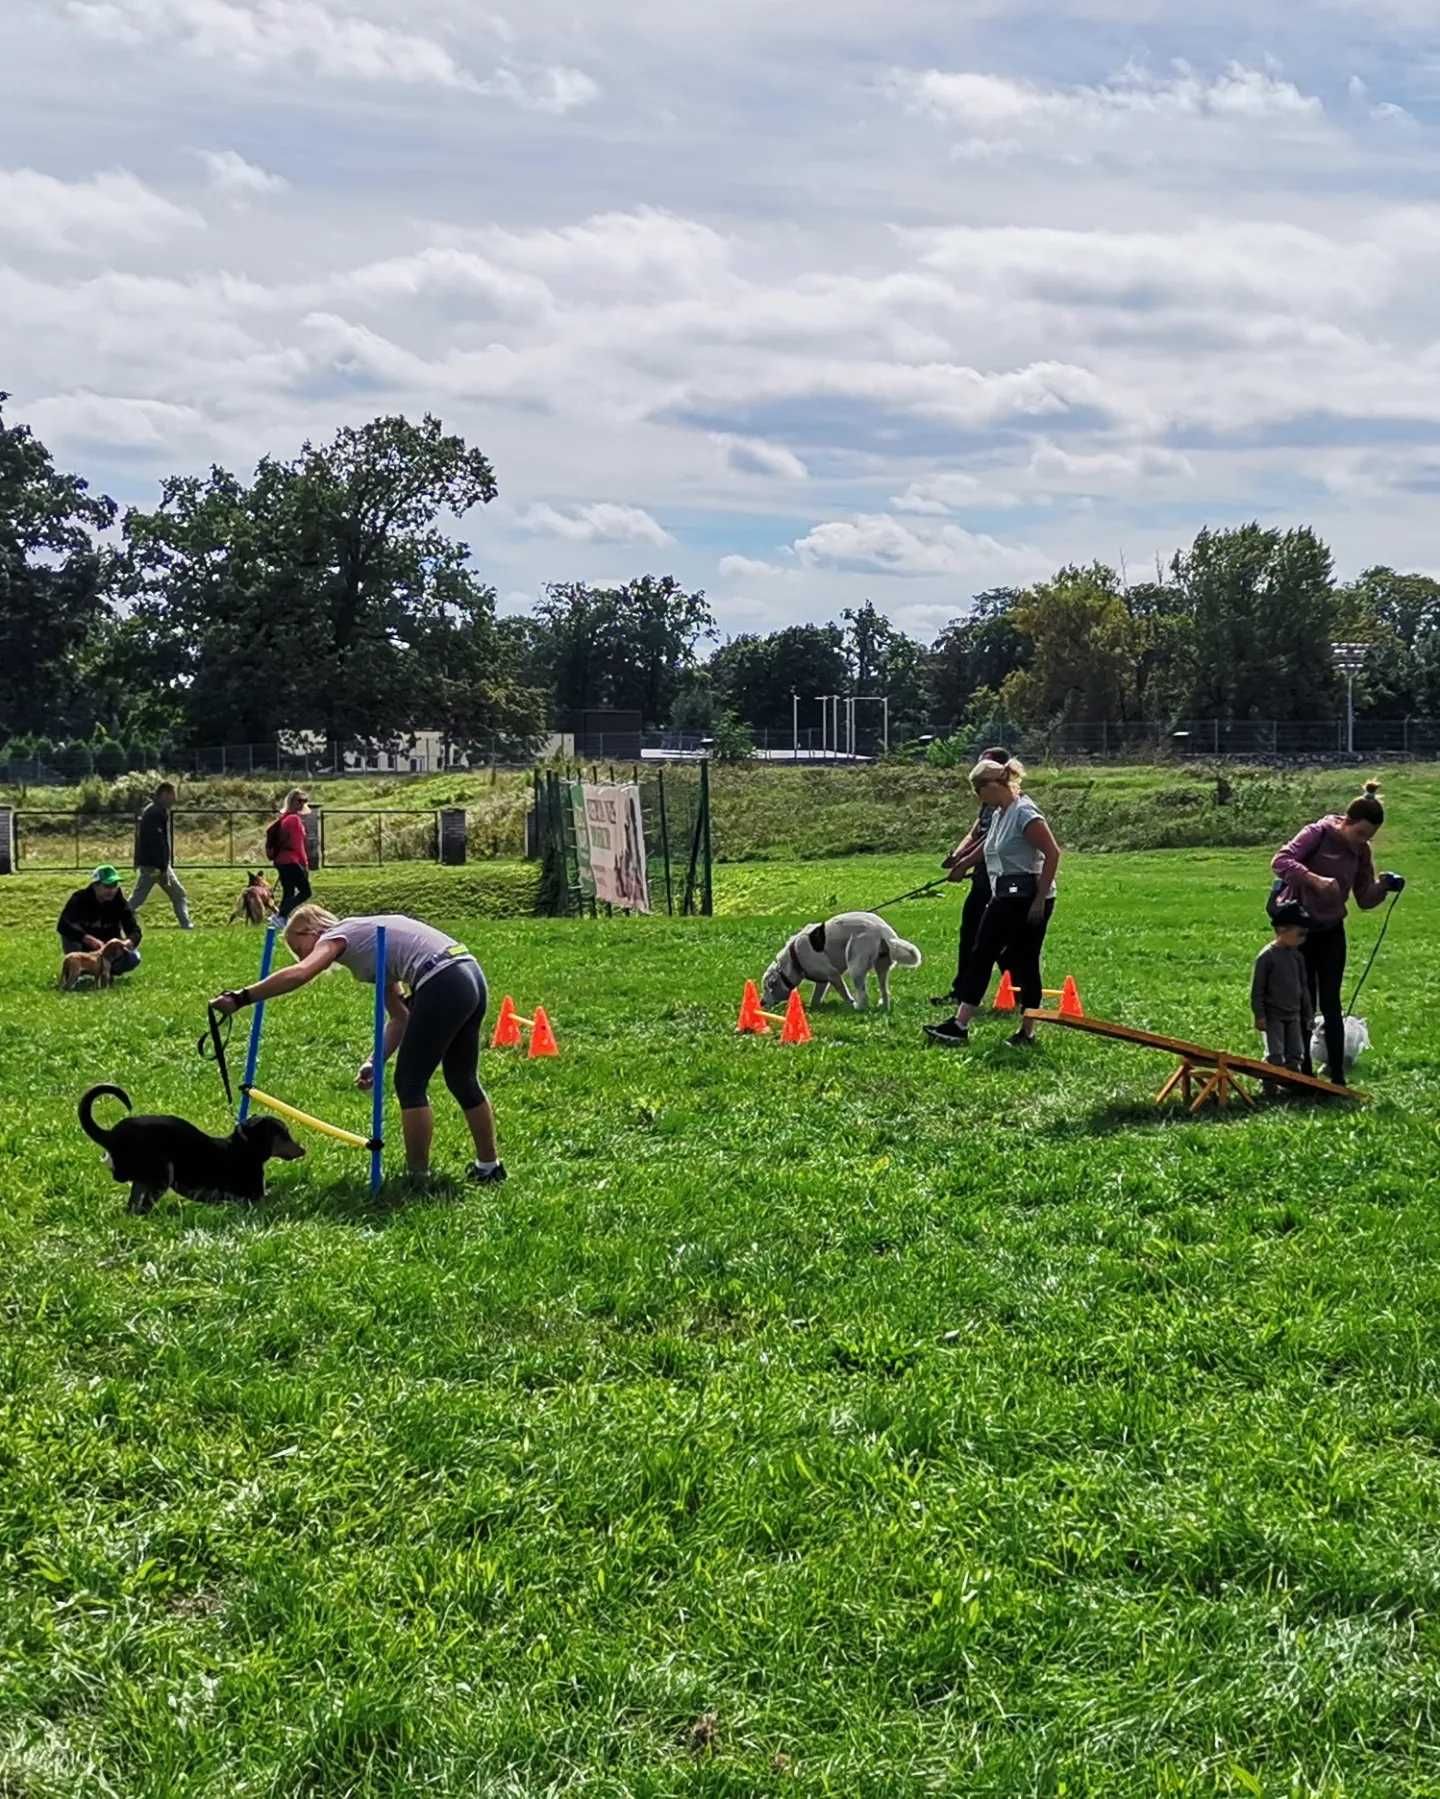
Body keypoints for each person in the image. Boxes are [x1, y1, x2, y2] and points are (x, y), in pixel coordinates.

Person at [211, 904, 503, 1186]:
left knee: (410, 1083)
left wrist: (241, 998)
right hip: (467, 971)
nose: (299, 957)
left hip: (442, 980)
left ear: (310, 930)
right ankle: (489, 1167)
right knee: (461, 1078)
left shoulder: (338, 934)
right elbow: (401, 1018)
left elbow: (301, 974)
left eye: (298, 948)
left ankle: (417, 1176)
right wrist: (373, 1061)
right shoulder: (370, 940)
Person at [1271, 782, 1405, 1085]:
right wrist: (1315, 880)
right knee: (1303, 1000)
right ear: (1346, 822)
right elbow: (1280, 861)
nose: (1362, 842)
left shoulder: (1361, 852)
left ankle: (1337, 1076)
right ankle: (1302, 1071)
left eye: (1368, 838)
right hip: (1301, 930)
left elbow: (1364, 898)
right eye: (1359, 834)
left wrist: (1384, 886)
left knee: (1331, 1003)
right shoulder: (1317, 833)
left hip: (1332, 929)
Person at [924, 756, 1061, 1048]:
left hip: (1028, 898)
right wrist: (963, 865)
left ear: (993, 785)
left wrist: (1039, 900)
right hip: (1006, 894)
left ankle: (1023, 1031)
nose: (978, 798)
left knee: (1018, 959)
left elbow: (1053, 854)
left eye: (978, 790)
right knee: (983, 952)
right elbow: (989, 845)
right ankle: (960, 1025)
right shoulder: (1001, 811)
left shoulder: (1025, 813)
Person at [932, 743, 1012, 1006]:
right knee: (971, 933)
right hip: (982, 878)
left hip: (1001, 879)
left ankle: (1019, 991)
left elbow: (990, 841)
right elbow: (976, 831)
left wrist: (964, 863)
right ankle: (962, 991)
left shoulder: (1008, 804)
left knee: (997, 939)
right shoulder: (987, 804)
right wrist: (957, 854)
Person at [1251, 900, 1314, 1094]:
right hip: (1273, 1014)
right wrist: (1260, 1015)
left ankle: (1290, 1084)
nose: (1303, 939)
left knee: (1296, 1053)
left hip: (1293, 1013)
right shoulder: (1266, 957)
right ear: (1282, 929)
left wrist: (1308, 1013)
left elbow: (1303, 987)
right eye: (1300, 934)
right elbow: (1257, 990)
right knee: (1275, 1053)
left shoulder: (1297, 957)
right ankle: (1268, 1085)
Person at [57, 865, 142, 975]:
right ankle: (78, 972)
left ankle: (106, 973)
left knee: (133, 957)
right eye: (107, 886)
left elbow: (135, 931)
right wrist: (86, 938)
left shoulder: (120, 903)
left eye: (114, 885)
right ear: (95, 885)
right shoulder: (79, 899)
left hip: (108, 951)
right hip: (84, 949)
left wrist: (127, 943)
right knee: (70, 937)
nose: (111, 890)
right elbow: (63, 925)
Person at [130, 781, 193, 929]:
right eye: (172, 795)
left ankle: (186, 925)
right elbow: (157, 843)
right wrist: (163, 868)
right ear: (164, 794)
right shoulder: (155, 813)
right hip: (155, 866)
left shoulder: (153, 811)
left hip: (155, 865)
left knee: (177, 894)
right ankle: (186, 925)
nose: (174, 799)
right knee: (139, 898)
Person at [268, 788, 312, 918]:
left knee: (289, 892)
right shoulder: (294, 820)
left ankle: (281, 919)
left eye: (304, 801)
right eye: (299, 800)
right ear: (292, 801)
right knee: (306, 892)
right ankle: (281, 915)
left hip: (281, 861)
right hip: (291, 861)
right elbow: (298, 845)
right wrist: (305, 864)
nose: (302, 804)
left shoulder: (284, 818)